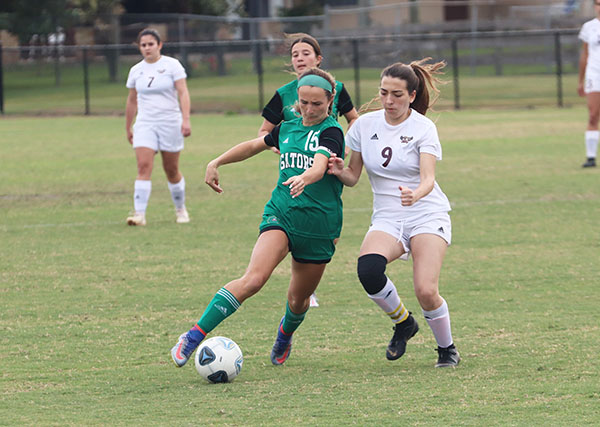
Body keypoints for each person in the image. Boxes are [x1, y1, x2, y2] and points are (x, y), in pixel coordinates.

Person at [171, 68, 345, 368]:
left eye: (317, 103)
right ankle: (193, 335)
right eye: (304, 102)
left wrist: (306, 177)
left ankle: (285, 333)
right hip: (282, 214)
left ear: (331, 100)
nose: (309, 109)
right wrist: (217, 161)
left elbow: (319, 165)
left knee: (298, 301)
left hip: (319, 225)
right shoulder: (287, 127)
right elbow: (254, 145)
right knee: (253, 279)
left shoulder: (332, 132)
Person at [328, 59, 460, 368]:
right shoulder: (364, 125)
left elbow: (428, 178)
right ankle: (403, 323)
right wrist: (338, 171)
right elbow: (353, 176)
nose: (389, 101)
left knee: (426, 290)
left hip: (426, 213)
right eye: (384, 92)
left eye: (397, 94)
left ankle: (447, 348)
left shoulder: (423, 127)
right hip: (388, 217)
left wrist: (416, 193)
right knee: (368, 270)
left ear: (412, 95)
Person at [259, 33, 359, 307]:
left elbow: (354, 121)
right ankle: (303, 291)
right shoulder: (284, 94)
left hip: (326, 171)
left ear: (318, 59)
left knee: (320, 229)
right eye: (295, 54)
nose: (300, 58)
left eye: (305, 53)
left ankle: (304, 287)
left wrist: (345, 146)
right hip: (295, 172)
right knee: (293, 221)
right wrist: (277, 148)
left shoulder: (336, 89)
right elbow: (265, 133)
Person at [124, 28, 192, 226]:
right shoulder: (136, 70)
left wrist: (185, 120)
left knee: (171, 170)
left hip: (170, 122)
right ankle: (139, 214)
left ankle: (180, 209)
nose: (147, 48)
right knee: (143, 166)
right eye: (143, 45)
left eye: (150, 44)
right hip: (145, 123)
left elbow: (183, 93)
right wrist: (128, 127)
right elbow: (131, 100)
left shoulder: (172, 65)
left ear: (159, 45)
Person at [577, 1, 600, 168]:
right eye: (598, 3)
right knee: (593, 115)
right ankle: (591, 157)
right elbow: (585, 55)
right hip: (594, 75)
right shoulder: (589, 27)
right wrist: (580, 80)